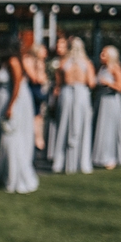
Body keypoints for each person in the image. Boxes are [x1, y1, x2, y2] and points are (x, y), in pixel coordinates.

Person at [0, 35, 39, 194]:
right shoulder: (8, 62)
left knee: (12, 138)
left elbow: (17, 85)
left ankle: (17, 177)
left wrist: (10, 106)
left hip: (16, 102)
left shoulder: (14, 61)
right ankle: (7, 175)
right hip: (9, 101)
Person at [51, 37, 95, 174]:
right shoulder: (87, 63)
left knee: (64, 125)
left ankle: (61, 161)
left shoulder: (63, 62)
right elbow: (92, 83)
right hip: (80, 93)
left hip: (67, 93)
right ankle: (81, 161)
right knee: (82, 126)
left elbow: (58, 84)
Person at [92, 45, 121, 169]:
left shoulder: (115, 68)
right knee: (100, 128)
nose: (101, 56)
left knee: (109, 129)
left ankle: (111, 157)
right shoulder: (102, 68)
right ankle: (100, 156)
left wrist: (108, 83)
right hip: (101, 101)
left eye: (104, 54)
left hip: (111, 101)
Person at [44, 34, 68, 164]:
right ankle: (50, 150)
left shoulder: (67, 61)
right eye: (58, 44)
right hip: (51, 90)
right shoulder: (51, 60)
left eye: (62, 45)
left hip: (61, 92)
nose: (60, 47)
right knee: (51, 119)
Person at [23, 43, 49, 153]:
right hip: (31, 90)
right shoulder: (28, 60)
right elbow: (35, 78)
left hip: (39, 90)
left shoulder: (41, 62)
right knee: (33, 115)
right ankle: (34, 139)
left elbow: (43, 78)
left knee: (38, 116)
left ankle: (38, 139)